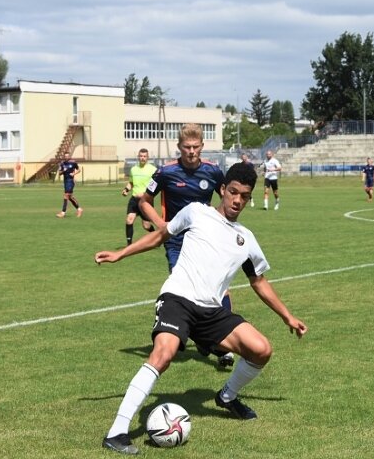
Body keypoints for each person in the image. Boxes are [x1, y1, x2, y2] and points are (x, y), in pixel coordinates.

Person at [96, 163, 308, 455]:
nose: (237, 200)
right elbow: (160, 236)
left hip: (212, 312)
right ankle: (117, 432)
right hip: (178, 299)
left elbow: (258, 282)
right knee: (164, 353)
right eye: (232, 192)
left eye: (244, 196)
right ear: (222, 190)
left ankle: (226, 396)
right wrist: (120, 253)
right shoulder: (197, 212)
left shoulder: (246, 239)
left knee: (261, 349)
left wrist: (288, 316)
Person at [139, 123, 234, 367]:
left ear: (202, 146)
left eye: (195, 147)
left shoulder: (213, 172)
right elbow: (144, 202)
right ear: (179, 147)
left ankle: (223, 345)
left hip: (205, 240)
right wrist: (162, 225)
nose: (191, 151)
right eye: (186, 147)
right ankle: (203, 338)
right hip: (177, 242)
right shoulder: (165, 172)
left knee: (219, 288)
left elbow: (227, 198)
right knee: (185, 291)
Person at [121, 148, 157, 245]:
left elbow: (155, 185)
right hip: (134, 199)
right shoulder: (133, 169)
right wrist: (126, 190)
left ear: (147, 157)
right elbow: (131, 182)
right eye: (141, 156)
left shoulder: (153, 170)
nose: (142, 158)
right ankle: (129, 244)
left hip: (146, 200)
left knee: (146, 225)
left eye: (144, 156)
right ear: (138, 157)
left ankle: (156, 236)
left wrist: (146, 194)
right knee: (129, 219)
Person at [56, 151, 83, 218]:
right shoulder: (62, 164)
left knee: (66, 196)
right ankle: (79, 209)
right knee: (70, 197)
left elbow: (79, 170)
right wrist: (63, 171)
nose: (66, 157)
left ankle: (63, 213)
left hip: (70, 181)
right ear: (64, 157)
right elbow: (59, 173)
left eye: (67, 156)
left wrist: (74, 174)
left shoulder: (73, 163)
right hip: (65, 182)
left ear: (69, 156)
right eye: (65, 156)